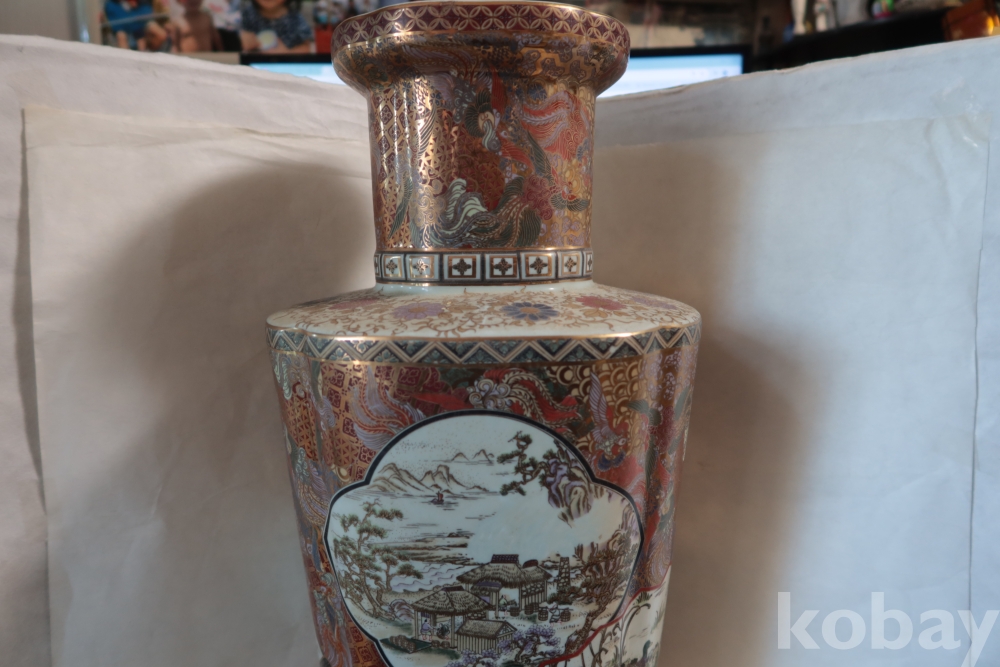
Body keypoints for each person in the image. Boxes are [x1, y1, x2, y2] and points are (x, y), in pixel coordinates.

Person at [240, 0, 314, 53]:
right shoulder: (249, 14)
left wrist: (285, 52)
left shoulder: (296, 19)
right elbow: (244, 40)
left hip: (284, 65)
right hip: (255, 64)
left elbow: (306, 48)